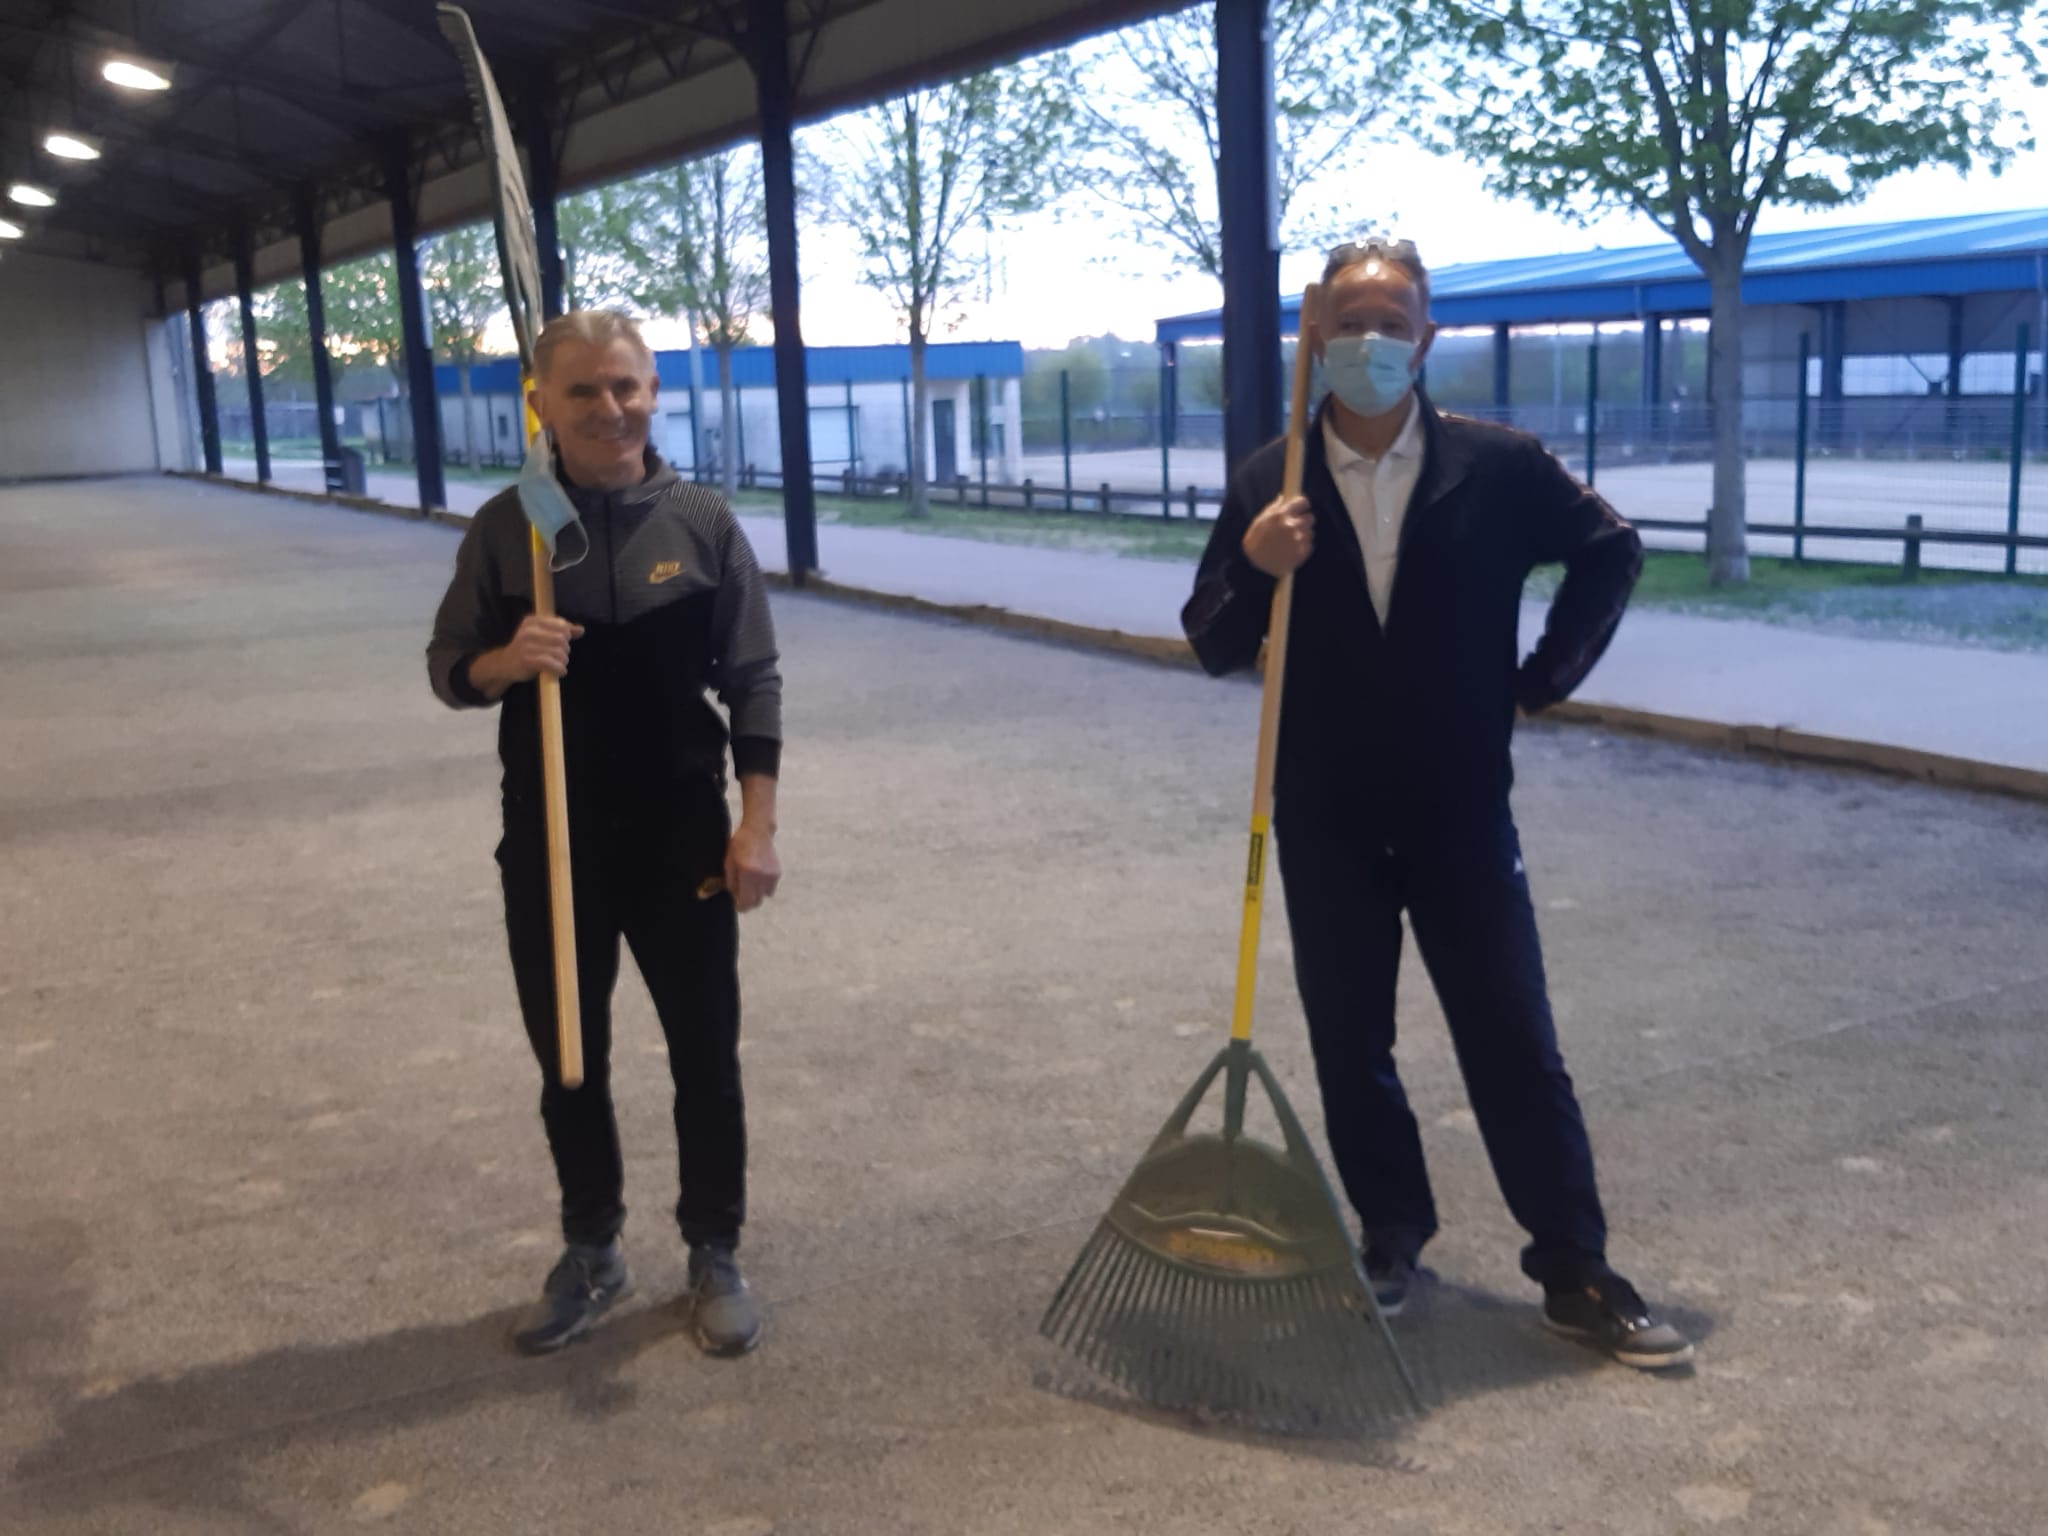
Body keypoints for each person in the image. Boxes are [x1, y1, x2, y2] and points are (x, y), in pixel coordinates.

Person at [1182, 238, 1691, 1370]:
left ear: (1426, 336)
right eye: (1348, 321)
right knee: (1349, 1041)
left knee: (1512, 1037)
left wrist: (1539, 681)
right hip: (1323, 813)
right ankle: (1390, 1232)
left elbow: (1608, 550)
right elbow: (1210, 640)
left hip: (1460, 811)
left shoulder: (1495, 467)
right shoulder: (1272, 479)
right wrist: (1255, 562)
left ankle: (1573, 1265)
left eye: (1392, 321)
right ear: (1315, 335)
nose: (1369, 341)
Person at [428, 309, 782, 1358]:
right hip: (551, 839)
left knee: (705, 1057)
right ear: (540, 401)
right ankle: (592, 1248)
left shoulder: (702, 523)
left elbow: (753, 680)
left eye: (624, 385)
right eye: (580, 389)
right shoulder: (509, 529)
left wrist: (756, 825)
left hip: (682, 838)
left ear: (653, 391)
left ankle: (713, 1248)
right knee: (569, 1062)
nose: (607, 407)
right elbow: (447, 666)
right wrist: (507, 661)